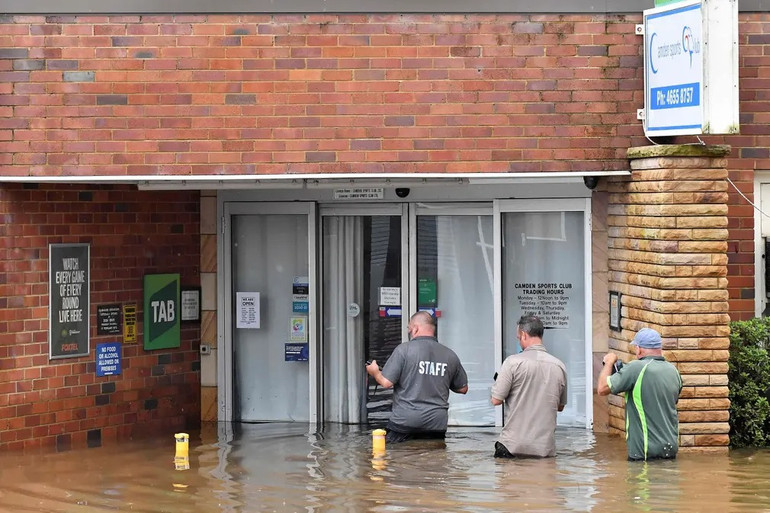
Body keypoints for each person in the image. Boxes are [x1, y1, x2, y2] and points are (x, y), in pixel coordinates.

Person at [366, 311, 468, 443]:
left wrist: (374, 372)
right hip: (436, 424)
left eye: (409, 329)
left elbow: (386, 383)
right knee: (433, 459)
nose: (409, 332)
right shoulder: (450, 355)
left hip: (405, 421)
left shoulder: (404, 350)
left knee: (398, 459)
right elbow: (463, 388)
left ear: (415, 329)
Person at [597, 327, 683, 461]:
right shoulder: (673, 371)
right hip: (670, 449)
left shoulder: (636, 368)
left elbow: (602, 388)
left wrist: (608, 363)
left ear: (639, 349)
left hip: (643, 452)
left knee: (640, 481)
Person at [490, 314, 567, 458]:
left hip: (511, 447)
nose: (519, 341)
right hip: (544, 450)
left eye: (518, 338)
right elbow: (560, 406)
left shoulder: (512, 363)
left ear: (524, 335)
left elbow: (496, 400)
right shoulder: (559, 366)